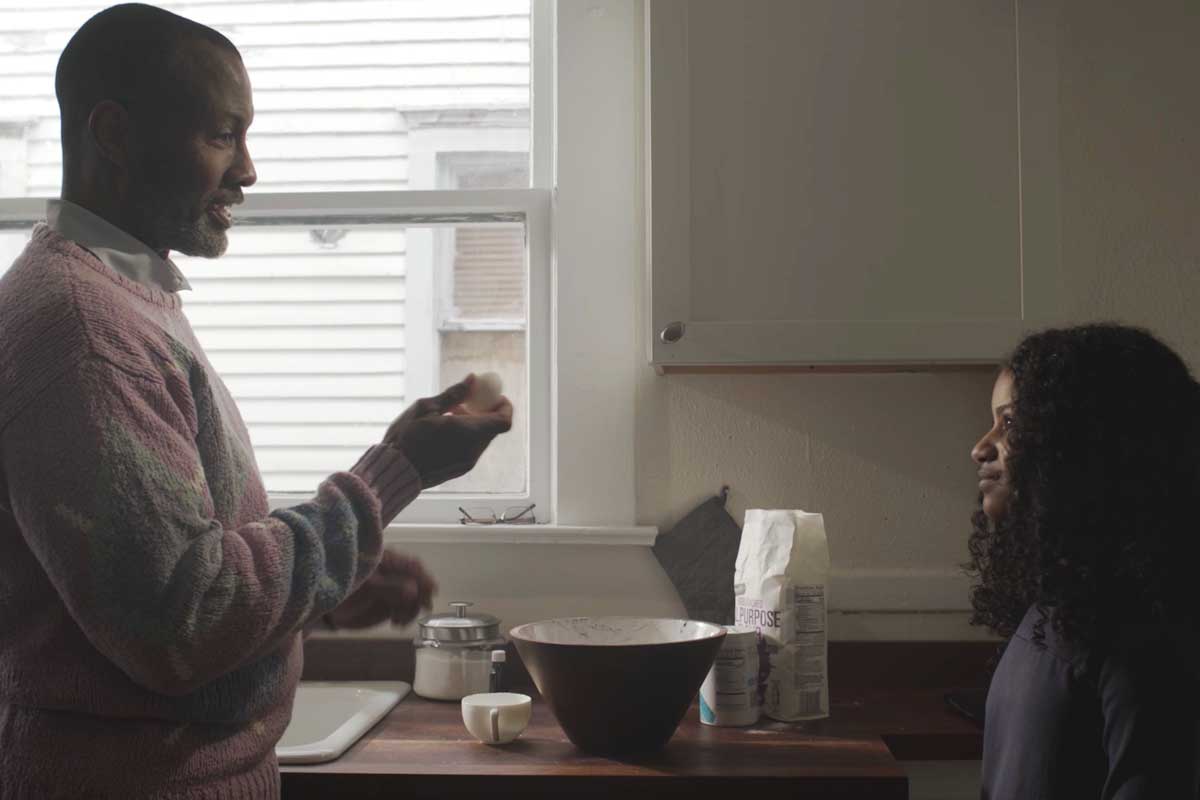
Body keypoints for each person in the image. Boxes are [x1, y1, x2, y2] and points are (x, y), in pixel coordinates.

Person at [0, 4, 512, 798]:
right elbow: (186, 622)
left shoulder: (123, 301)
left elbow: (155, 586)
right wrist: (392, 475)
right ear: (114, 134)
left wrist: (318, 595)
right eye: (221, 135)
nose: (247, 169)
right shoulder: (83, 330)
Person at [968, 323, 1200, 799]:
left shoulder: (1138, 644)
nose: (981, 447)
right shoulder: (1055, 613)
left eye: (1009, 423)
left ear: (1080, 444)